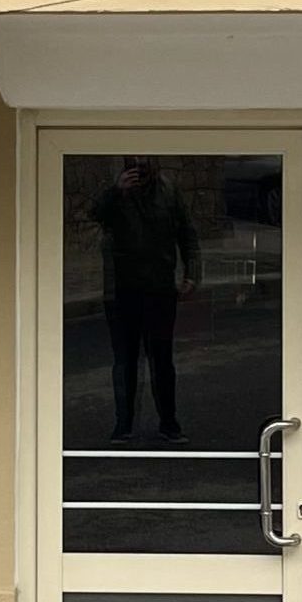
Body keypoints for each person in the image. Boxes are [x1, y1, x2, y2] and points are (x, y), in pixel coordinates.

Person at [90, 158, 200, 446]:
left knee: (162, 360)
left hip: (160, 287)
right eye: (135, 161)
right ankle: (123, 424)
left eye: (146, 161)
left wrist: (192, 273)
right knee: (125, 360)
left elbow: (187, 234)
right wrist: (117, 192)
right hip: (121, 289)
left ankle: (169, 423)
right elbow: (95, 214)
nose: (140, 167)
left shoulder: (169, 191)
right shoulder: (116, 188)